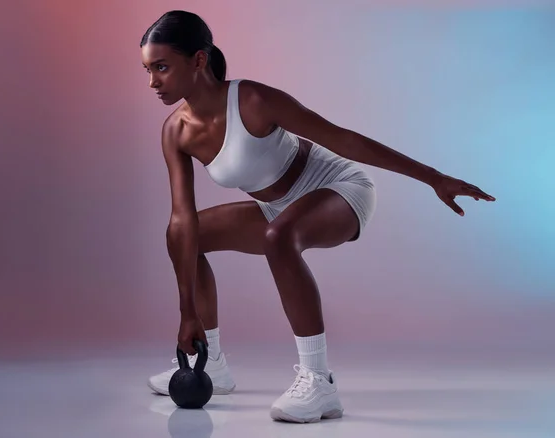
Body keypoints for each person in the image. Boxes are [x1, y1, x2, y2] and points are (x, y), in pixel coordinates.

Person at [141, 10, 496, 423]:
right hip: (276, 208)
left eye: (162, 67)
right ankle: (213, 362)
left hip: (340, 189)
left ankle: (319, 382)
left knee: (279, 237)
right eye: (148, 70)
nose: (153, 82)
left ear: (199, 61)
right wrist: (188, 314)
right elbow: (182, 221)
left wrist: (434, 178)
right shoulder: (176, 132)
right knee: (186, 235)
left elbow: (343, 139)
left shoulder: (252, 100)